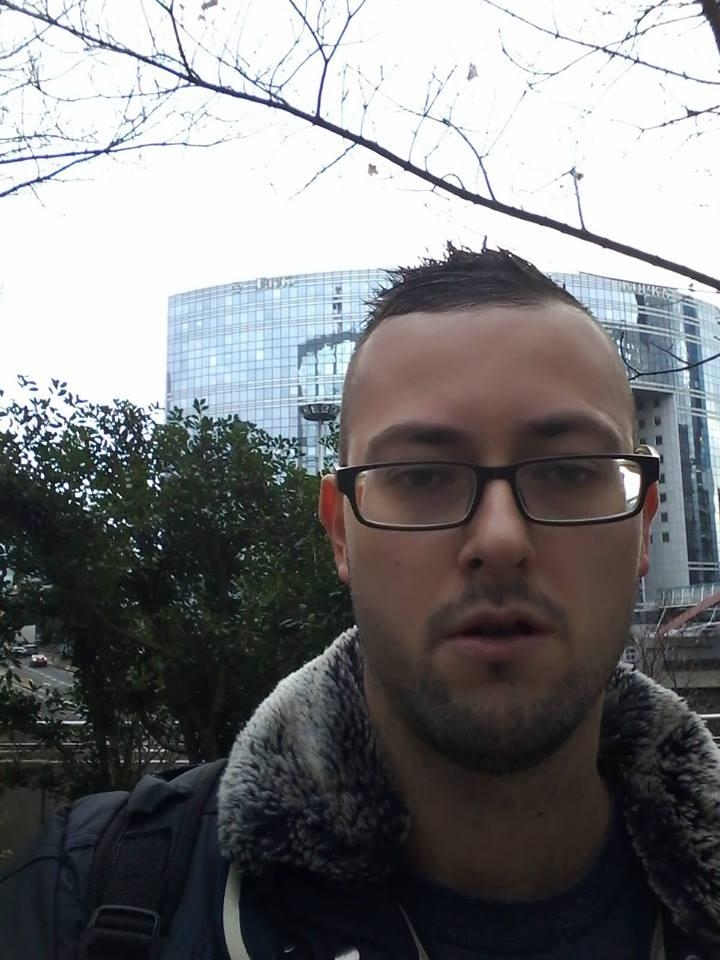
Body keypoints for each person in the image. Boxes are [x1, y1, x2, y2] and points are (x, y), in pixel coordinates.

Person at [2, 246, 719, 959]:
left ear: (643, 523)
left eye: (568, 471)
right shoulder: (85, 899)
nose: (500, 539)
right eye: (421, 475)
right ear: (341, 533)